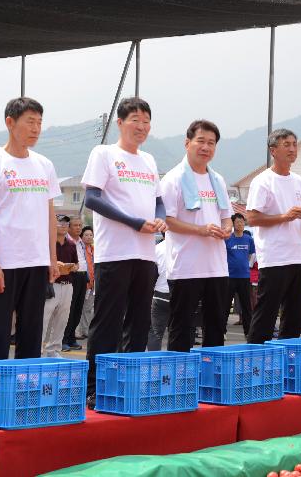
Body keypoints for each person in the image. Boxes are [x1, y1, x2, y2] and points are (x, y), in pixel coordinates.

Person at [82, 97, 167, 407]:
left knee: (139, 322)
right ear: (120, 122)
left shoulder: (149, 160)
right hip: (114, 253)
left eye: (146, 121)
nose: (141, 126)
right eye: (135, 120)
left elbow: (159, 200)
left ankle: (128, 384)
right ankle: (94, 387)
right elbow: (92, 198)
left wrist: (160, 219)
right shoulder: (104, 153)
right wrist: (134, 222)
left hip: (146, 254)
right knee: (107, 322)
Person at [0, 97, 60, 360]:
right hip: (5, 263)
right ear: (10, 122)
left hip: (36, 260)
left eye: (40, 123)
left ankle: (25, 394)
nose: (36, 129)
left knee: (31, 334)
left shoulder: (45, 165)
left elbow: (49, 214)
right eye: (30, 122)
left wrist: (52, 258)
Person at [161, 120, 233, 351]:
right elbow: (167, 221)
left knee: (216, 327)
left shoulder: (218, 180)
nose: (206, 147)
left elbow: (226, 216)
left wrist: (228, 227)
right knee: (182, 327)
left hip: (217, 266)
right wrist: (200, 230)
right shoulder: (173, 179)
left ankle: (213, 379)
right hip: (186, 266)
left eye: (211, 143)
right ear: (187, 143)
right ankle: (179, 381)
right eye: (201, 141)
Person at [246, 129, 301, 344]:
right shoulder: (263, 181)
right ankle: (254, 362)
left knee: (294, 317)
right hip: (275, 258)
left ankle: (289, 362)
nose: (292, 149)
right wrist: (284, 217)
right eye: (286, 144)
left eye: (294, 144)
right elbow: (252, 218)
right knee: (266, 315)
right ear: (273, 150)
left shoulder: (300, 182)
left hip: (299, 257)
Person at [41, 216, 78, 357]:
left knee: (62, 320)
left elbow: (76, 263)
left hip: (68, 285)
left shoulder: (71, 244)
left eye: (65, 223)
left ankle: (54, 350)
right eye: (60, 223)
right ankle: (37, 350)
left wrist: (73, 267)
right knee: (43, 319)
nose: (63, 226)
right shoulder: (47, 243)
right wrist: (57, 265)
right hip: (51, 285)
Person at [225, 213, 255, 337]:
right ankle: (222, 331)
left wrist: (247, 265)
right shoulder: (228, 238)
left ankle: (249, 333)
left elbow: (251, 254)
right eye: (237, 222)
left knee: (247, 307)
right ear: (233, 224)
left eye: (242, 222)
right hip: (230, 277)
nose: (240, 224)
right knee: (225, 306)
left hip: (244, 277)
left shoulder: (249, 239)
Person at [62, 217, 87, 352]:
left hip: (83, 276)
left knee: (78, 309)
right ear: (69, 227)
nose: (78, 228)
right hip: (72, 276)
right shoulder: (66, 241)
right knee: (69, 310)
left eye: (80, 225)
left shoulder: (82, 242)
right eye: (75, 225)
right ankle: (64, 339)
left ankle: (72, 338)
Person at [146, 237, 171, 351]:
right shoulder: (187, 246)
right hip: (182, 295)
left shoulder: (157, 249)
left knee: (156, 332)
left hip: (160, 294)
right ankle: (178, 364)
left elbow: (151, 275)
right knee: (178, 331)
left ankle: (154, 365)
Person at [76, 226, 95, 340]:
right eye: (86, 235)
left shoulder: (93, 249)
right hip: (83, 282)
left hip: (92, 283)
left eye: (90, 235)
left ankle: (85, 330)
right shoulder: (80, 248)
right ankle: (76, 331)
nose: (88, 237)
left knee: (88, 309)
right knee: (78, 307)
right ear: (82, 237)